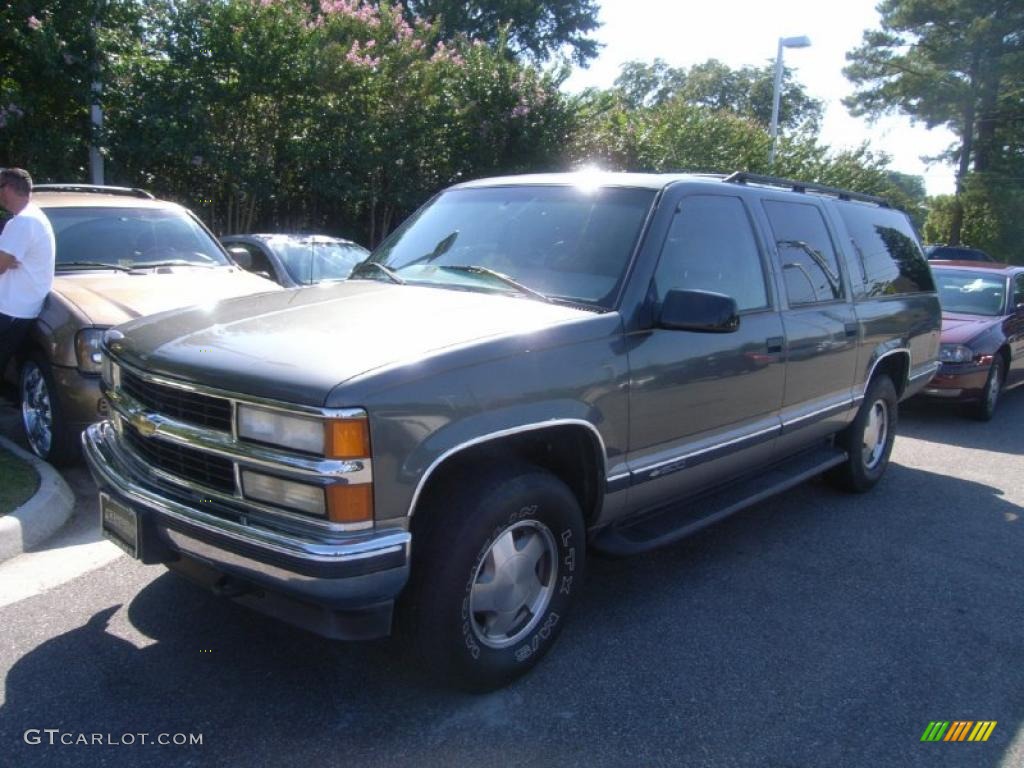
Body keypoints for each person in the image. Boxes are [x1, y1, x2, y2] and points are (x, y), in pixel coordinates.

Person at [0, 168, 56, 394]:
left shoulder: (23, 222)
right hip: (18, 308)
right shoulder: (31, 217)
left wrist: (5, 260)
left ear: (9, 188)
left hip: (11, 309)